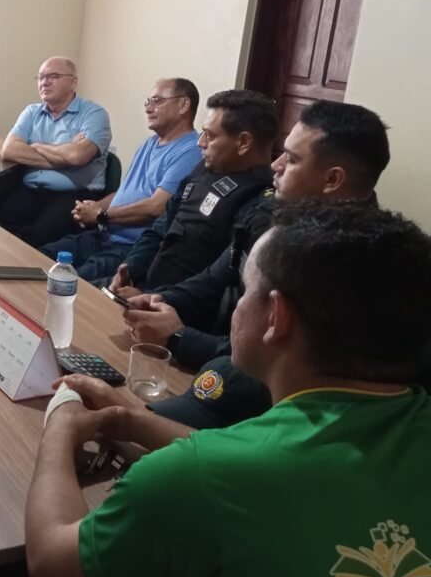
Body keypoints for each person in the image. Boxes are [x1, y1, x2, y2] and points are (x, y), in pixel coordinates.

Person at [25, 201, 431, 577]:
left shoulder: (192, 480)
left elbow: (52, 563)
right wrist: (132, 420)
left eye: (246, 289)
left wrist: (60, 426)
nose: (237, 306)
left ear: (276, 317)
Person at [123, 99, 391, 428]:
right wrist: (160, 300)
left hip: (254, 404)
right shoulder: (276, 216)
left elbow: (274, 360)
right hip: (218, 369)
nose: (276, 165)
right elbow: (213, 279)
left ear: (332, 180)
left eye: (292, 159)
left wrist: (178, 337)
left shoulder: (352, 266)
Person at [102, 89, 277, 291]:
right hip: (143, 283)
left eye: (210, 136)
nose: (200, 142)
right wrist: (130, 269)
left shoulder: (258, 199)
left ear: (243, 143)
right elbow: (159, 229)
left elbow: (217, 281)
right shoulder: (205, 169)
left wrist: (153, 298)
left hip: (171, 302)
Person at [39, 79, 202, 280]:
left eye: (157, 101)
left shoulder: (191, 151)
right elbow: (125, 192)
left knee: (70, 283)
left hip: (130, 248)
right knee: (40, 257)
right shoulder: (149, 143)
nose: (148, 109)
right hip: (103, 236)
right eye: (148, 102)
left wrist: (101, 215)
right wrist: (96, 207)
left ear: (183, 105)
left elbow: (157, 207)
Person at [0, 57, 114, 247]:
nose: (44, 82)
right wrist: (65, 152)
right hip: (31, 190)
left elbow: (77, 157)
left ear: (73, 82)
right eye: (41, 77)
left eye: (53, 76)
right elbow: (9, 150)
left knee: (38, 239)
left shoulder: (94, 114)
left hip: (74, 196)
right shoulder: (32, 112)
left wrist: (36, 146)